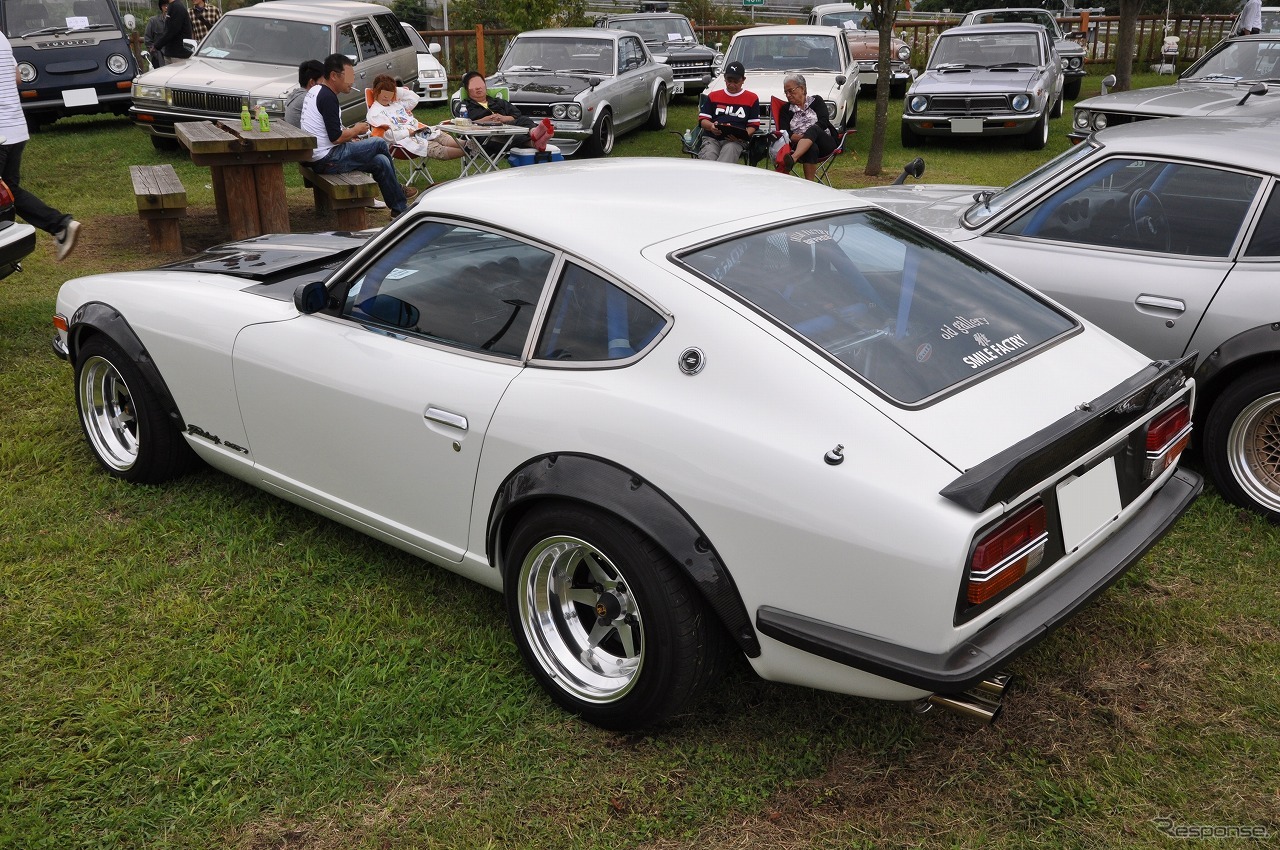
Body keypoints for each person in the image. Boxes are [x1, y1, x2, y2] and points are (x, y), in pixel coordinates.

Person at [301, 53, 413, 217]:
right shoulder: (328, 97)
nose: (352, 81)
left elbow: (330, 131)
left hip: (316, 155)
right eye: (348, 77)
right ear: (333, 76)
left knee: (380, 161)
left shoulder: (316, 90)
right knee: (379, 143)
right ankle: (399, 191)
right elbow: (336, 138)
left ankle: (398, 208)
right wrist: (356, 130)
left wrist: (350, 133)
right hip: (326, 159)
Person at [0, 30, 79, 261]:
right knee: (10, 191)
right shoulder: (2, 37)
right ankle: (61, 225)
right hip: (14, 129)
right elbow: (17, 78)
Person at [367, 74, 464, 161]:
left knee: (440, 135)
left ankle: (470, 146)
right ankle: (468, 152)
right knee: (436, 149)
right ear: (375, 91)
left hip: (419, 131)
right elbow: (386, 135)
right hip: (403, 141)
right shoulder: (375, 112)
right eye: (382, 93)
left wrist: (394, 89)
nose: (386, 97)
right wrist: (407, 132)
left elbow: (414, 98)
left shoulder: (396, 104)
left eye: (389, 93)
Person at [777, 73, 837, 182]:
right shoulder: (786, 110)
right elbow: (785, 132)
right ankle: (810, 185)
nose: (788, 95)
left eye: (791, 91)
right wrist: (807, 139)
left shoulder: (817, 101)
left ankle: (793, 159)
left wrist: (810, 135)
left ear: (802, 89)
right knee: (811, 147)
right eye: (786, 92)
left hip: (825, 143)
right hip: (801, 147)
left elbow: (824, 121)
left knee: (814, 129)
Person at [696, 61, 759, 164]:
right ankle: (708, 178)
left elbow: (754, 125)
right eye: (729, 81)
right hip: (712, 138)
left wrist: (741, 137)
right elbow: (703, 121)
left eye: (736, 81)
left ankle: (721, 178)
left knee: (730, 151)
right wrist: (712, 126)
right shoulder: (713, 96)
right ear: (724, 78)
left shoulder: (751, 98)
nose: (732, 85)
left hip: (736, 141)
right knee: (709, 156)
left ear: (743, 80)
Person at [284, 59, 324, 127]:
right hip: (303, 136)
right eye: (324, 80)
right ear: (312, 82)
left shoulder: (296, 94)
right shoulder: (308, 98)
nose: (325, 84)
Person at [152, 0, 192, 64]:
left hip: (179, 54)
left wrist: (158, 45)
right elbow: (168, 29)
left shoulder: (177, 7)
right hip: (170, 52)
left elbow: (173, 30)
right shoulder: (171, 6)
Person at [143, 0, 168, 69]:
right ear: (161, 7)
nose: (166, 8)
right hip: (158, 58)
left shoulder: (176, 20)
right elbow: (147, 39)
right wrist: (155, 54)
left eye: (168, 5)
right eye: (164, 5)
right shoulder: (153, 21)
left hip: (174, 56)